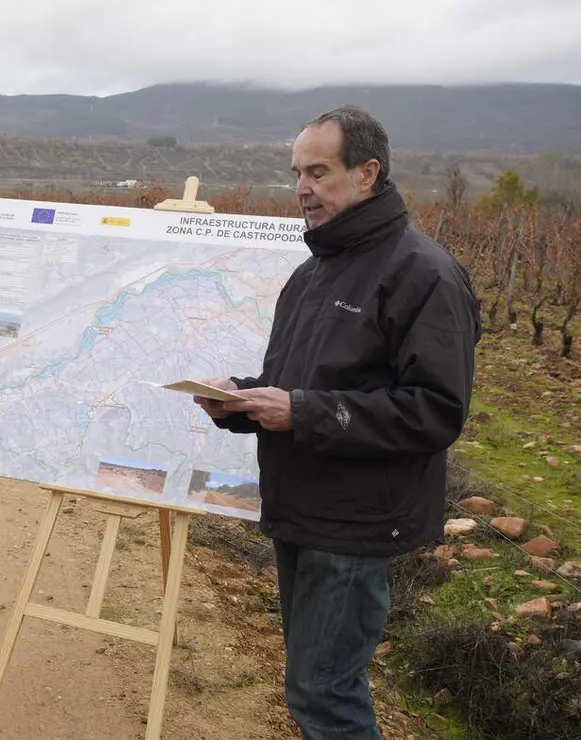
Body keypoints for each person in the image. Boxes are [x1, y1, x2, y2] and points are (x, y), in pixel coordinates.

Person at [194, 106, 480, 738]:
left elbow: (434, 411)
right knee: (314, 688)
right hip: (302, 507)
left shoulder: (423, 274)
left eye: (319, 172)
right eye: (298, 173)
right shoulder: (313, 273)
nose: (302, 189)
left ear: (368, 173)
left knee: (325, 695)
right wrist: (239, 399)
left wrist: (298, 411)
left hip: (353, 524)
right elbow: (302, 388)